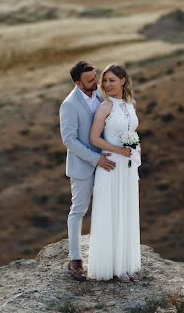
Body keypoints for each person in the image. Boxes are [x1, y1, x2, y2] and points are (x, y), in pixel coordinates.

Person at [59, 60, 116, 282]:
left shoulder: (100, 95)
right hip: (83, 166)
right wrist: (95, 159)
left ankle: (106, 255)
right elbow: (69, 140)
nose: (96, 82)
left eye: (95, 77)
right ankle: (75, 260)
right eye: (90, 80)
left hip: (106, 163)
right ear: (77, 82)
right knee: (79, 211)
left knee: (105, 210)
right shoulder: (69, 105)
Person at [87, 63, 141, 281]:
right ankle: (112, 268)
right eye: (105, 81)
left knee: (125, 210)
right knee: (111, 211)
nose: (107, 84)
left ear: (123, 81)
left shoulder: (129, 105)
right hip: (110, 165)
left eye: (112, 80)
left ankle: (125, 264)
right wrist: (119, 150)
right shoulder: (105, 107)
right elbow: (94, 138)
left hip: (127, 168)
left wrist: (135, 149)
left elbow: (132, 132)